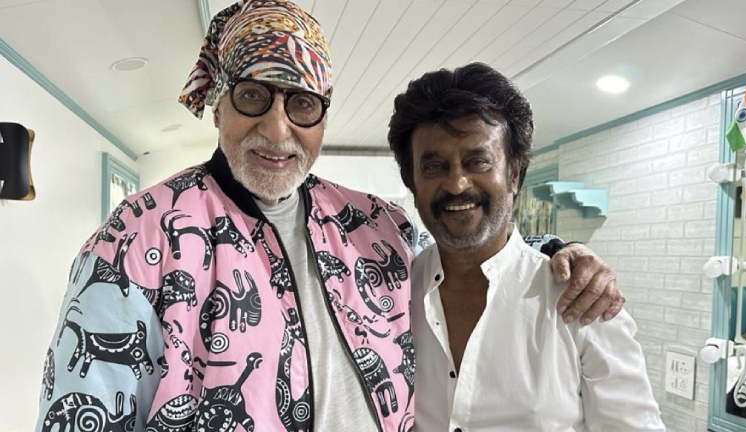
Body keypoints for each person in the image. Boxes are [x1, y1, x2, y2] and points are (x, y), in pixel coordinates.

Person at [34, 2, 623, 431]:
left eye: (302, 104)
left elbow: (462, 251)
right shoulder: (136, 237)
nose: (277, 129)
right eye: (252, 95)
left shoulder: (375, 225)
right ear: (219, 105)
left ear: (322, 117)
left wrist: (556, 252)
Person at [388, 62, 664, 431]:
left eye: (478, 162)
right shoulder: (389, 295)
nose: (456, 184)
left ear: (514, 174)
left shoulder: (581, 300)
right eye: (434, 167)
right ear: (412, 182)